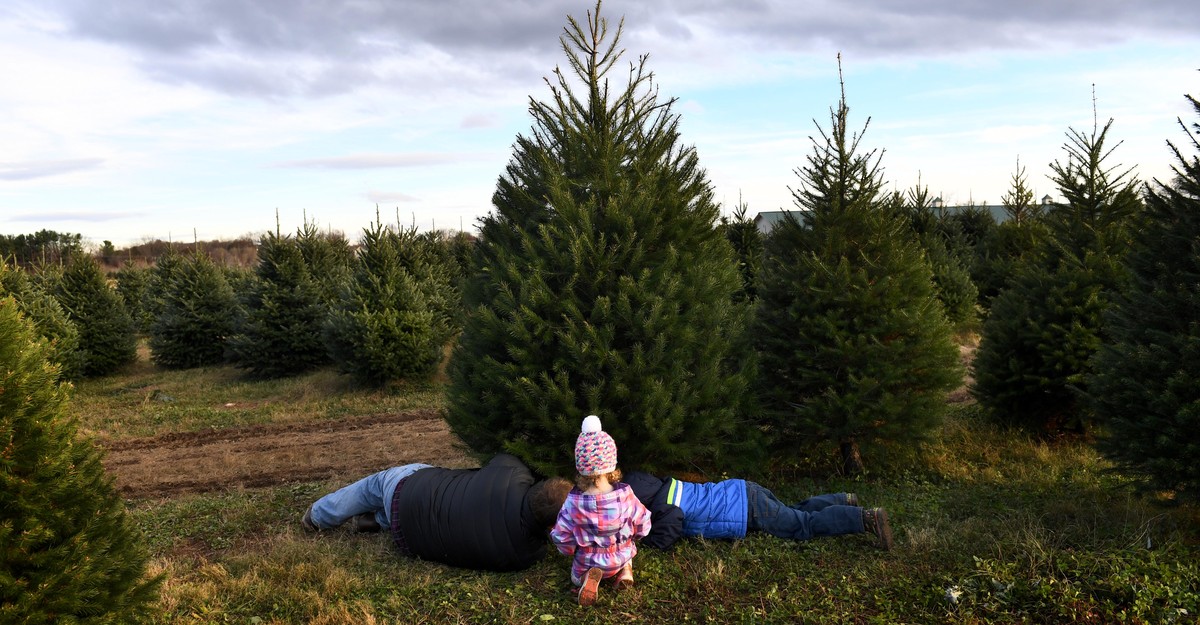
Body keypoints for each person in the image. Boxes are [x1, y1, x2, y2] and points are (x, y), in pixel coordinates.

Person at [301, 454, 572, 572]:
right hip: (409, 541)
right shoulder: (528, 555)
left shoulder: (514, 473)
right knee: (419, 507)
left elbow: (499, 459)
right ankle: (378, 520)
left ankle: (317, 516)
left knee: (372, 486)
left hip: (407, 489)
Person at [624, 471, 894, 551]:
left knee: (803, 526)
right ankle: (844, 499)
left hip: (747, 508)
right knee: (793, 511)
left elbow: (669, 528)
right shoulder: (668, 486)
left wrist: (646, 543)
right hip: (744, 490)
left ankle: (866, 518)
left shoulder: (663, 507)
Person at [550, 416, 652, 606]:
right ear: (611, 463)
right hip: (620, 555)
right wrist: (636, 536)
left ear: (581, 468)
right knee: (627, 558)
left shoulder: (573, 503)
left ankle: (586, 578)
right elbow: (643, 521)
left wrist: (567, 550)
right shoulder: (626, 496)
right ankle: (624, 571)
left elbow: (561, 535)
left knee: (574, 577)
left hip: (587, 561)